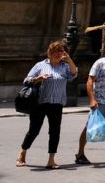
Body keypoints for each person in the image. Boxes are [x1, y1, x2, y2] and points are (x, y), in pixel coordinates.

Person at [17, 40, 77, 169]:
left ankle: (51, 160)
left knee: (55, 131)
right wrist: (37, 79)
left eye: (61, 51)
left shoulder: (64, 66)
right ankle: (23, 152)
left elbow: (73, 74)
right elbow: (26, 80)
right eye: (55, 51)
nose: (58, 54)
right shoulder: (40, 65)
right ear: (49, 53)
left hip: (57, 103)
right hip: (40, 102)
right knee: (34, 130)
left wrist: (69, 60)